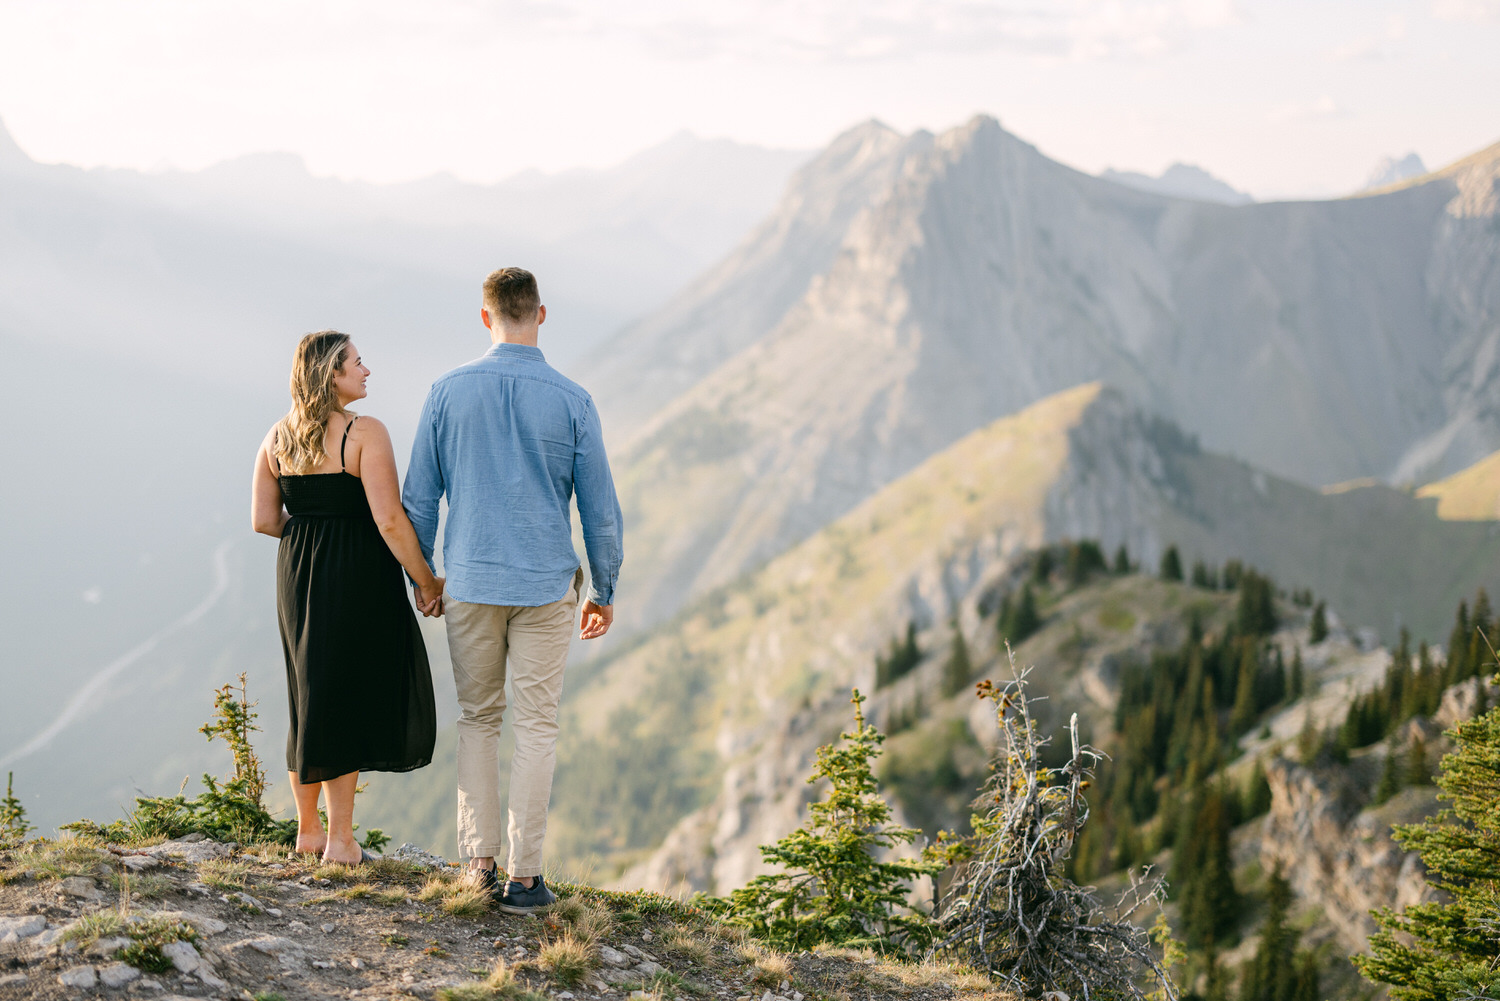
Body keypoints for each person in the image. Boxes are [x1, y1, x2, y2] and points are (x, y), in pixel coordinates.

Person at [403, 267, 623, 913]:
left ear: (484, 316)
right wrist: (604, 588)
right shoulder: (573, 399)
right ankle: (526, 878)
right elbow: (599, 510)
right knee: (536, 725)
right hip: (545, 585)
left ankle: (477, 865)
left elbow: (420, 497)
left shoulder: (447, 392)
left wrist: (423, 579)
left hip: (469, 581)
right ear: (541, 314)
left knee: (479, 720)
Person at [251, 330, 441, 865]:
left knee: (307, 692)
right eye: (358, 363)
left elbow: (264, 520)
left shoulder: (277, 436)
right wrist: (426, 582)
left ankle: (307, 832)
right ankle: (340, 842)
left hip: (297, 570)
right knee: (346, 695)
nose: (367, 371)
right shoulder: (364, 433)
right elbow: (388, 519)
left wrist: (311, 528)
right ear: (332, 374)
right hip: (355, 571)